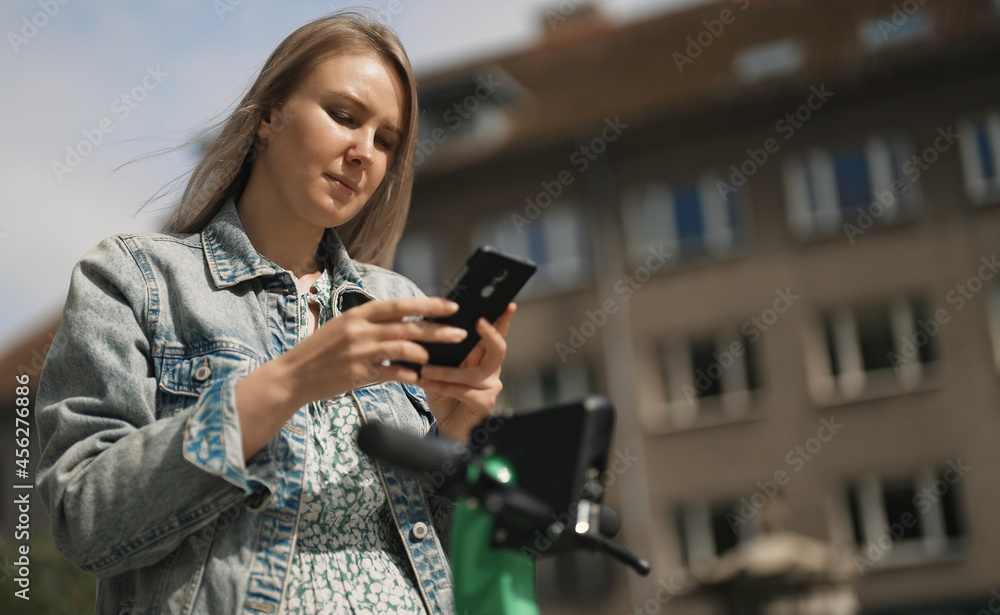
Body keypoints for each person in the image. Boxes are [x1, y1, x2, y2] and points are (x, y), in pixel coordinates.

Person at [35, 11, 515, 615]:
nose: (364, 151)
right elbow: (84, 519)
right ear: (267, 117)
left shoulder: (397, 302)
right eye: (344, 115)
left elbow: (455, 558)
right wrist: (289, 382)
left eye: (386, 140)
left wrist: (458, 432)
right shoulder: (134, 279)